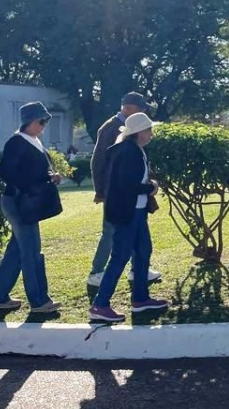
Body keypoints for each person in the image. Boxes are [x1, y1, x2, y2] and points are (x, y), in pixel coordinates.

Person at [88, 112, 169, 323]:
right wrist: (150, 188)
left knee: (143, 250)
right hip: (128, 212)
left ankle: (140, 298)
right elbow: (127, 185)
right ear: (139, 132)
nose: (151, 133)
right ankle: (100, 304)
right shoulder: (128, 152)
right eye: (149, 129)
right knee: (120, 257)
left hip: (136, 211)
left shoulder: (133, 149)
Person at [0, 102, 64, 314]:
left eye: (45, 121)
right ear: (28, 121)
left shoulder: (33, 140)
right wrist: (30, 186)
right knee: (31, 251)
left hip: (25, 202)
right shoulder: (17, 142)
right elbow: (5, 172)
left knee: (17, 251)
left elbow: (32, 171)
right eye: (41, 121)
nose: (44, 125)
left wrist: (49, 177)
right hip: (19, 202)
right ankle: (39, 301)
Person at [87, 92, 161, 288]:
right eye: (141, 108)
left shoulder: (132, 129)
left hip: (129, 191)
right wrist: (101, 190)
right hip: (115, 191)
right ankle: (96, 271)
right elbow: (98, 160)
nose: (144, 112)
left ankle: (137, 270)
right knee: (110, 231)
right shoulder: (110, 127)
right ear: (127, 108)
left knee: (135, 231)